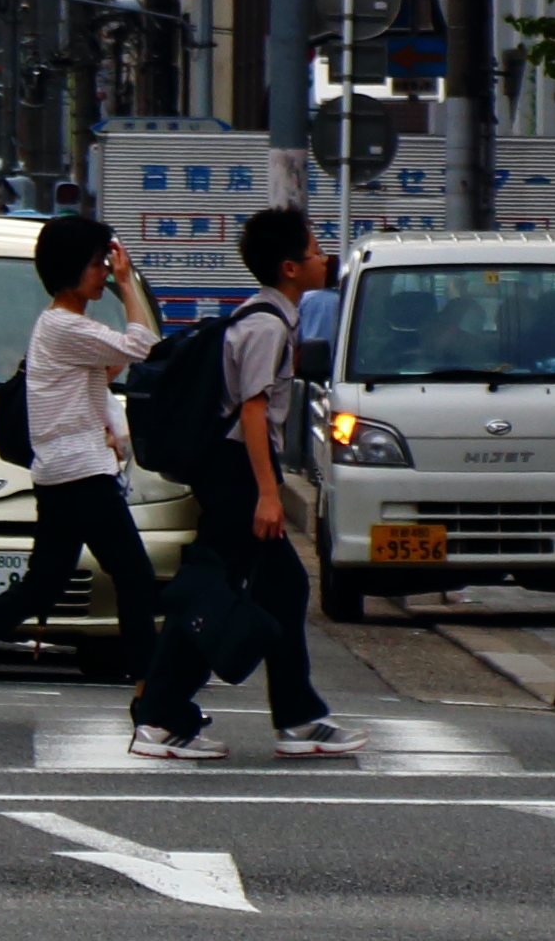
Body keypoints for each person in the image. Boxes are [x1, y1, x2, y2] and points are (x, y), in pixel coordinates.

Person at [0, 212, 166, 741]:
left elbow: (111, 369)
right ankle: (150, 696)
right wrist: (128, 284)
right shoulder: (64, 325)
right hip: (78, 475)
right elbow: (145, 347)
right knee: (135, 578)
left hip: (64, 471)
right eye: (97, 264)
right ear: (71, 269)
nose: (104, 272)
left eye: (107, 264)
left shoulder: (63, 329)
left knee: (44, 583)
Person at [130, 205, 363, 762]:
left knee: (279, 589)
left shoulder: (266, 316)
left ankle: (296, 717)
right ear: (288, 267)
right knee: (213, 597)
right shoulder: (264, 325)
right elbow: (254, 412)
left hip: (235, 474)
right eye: (313, 251)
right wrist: (267, 493)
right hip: (237, 477)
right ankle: (161, 716)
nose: (323, 258)